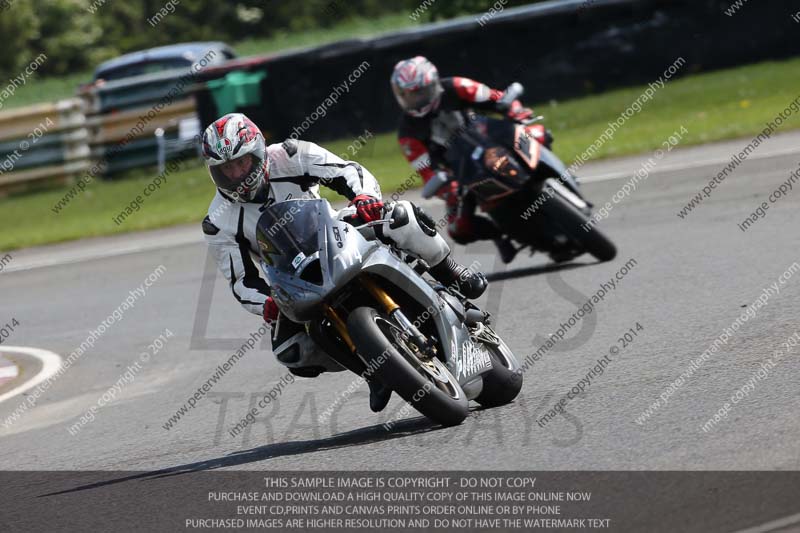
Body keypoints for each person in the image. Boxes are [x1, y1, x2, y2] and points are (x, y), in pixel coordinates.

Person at [200, 112, 487, 412]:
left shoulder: (290, 154)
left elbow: (348, 170)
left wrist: (363, 196)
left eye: (241, 163)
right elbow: (241, 281)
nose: (236, 175)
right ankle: (373, 372)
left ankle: (451, 273)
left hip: (334, 234)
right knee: (290, 350)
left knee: (400, 216)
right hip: (291, 276)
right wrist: (267, 303)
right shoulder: (217, 221)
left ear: (258, 151)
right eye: (226, 169)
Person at [392, 56, 552, 263]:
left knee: (537, 133)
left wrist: (517, 113)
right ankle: (500, 235)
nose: (415, 99)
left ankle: (563, 180)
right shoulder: (407, 133)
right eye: (408, 95)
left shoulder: (456, 86)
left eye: (420, 92)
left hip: (493, 140)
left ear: (433, 84)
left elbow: (497, 98)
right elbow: (426, 171)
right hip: (461, 173)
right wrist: (447, 188)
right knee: (458, 229)